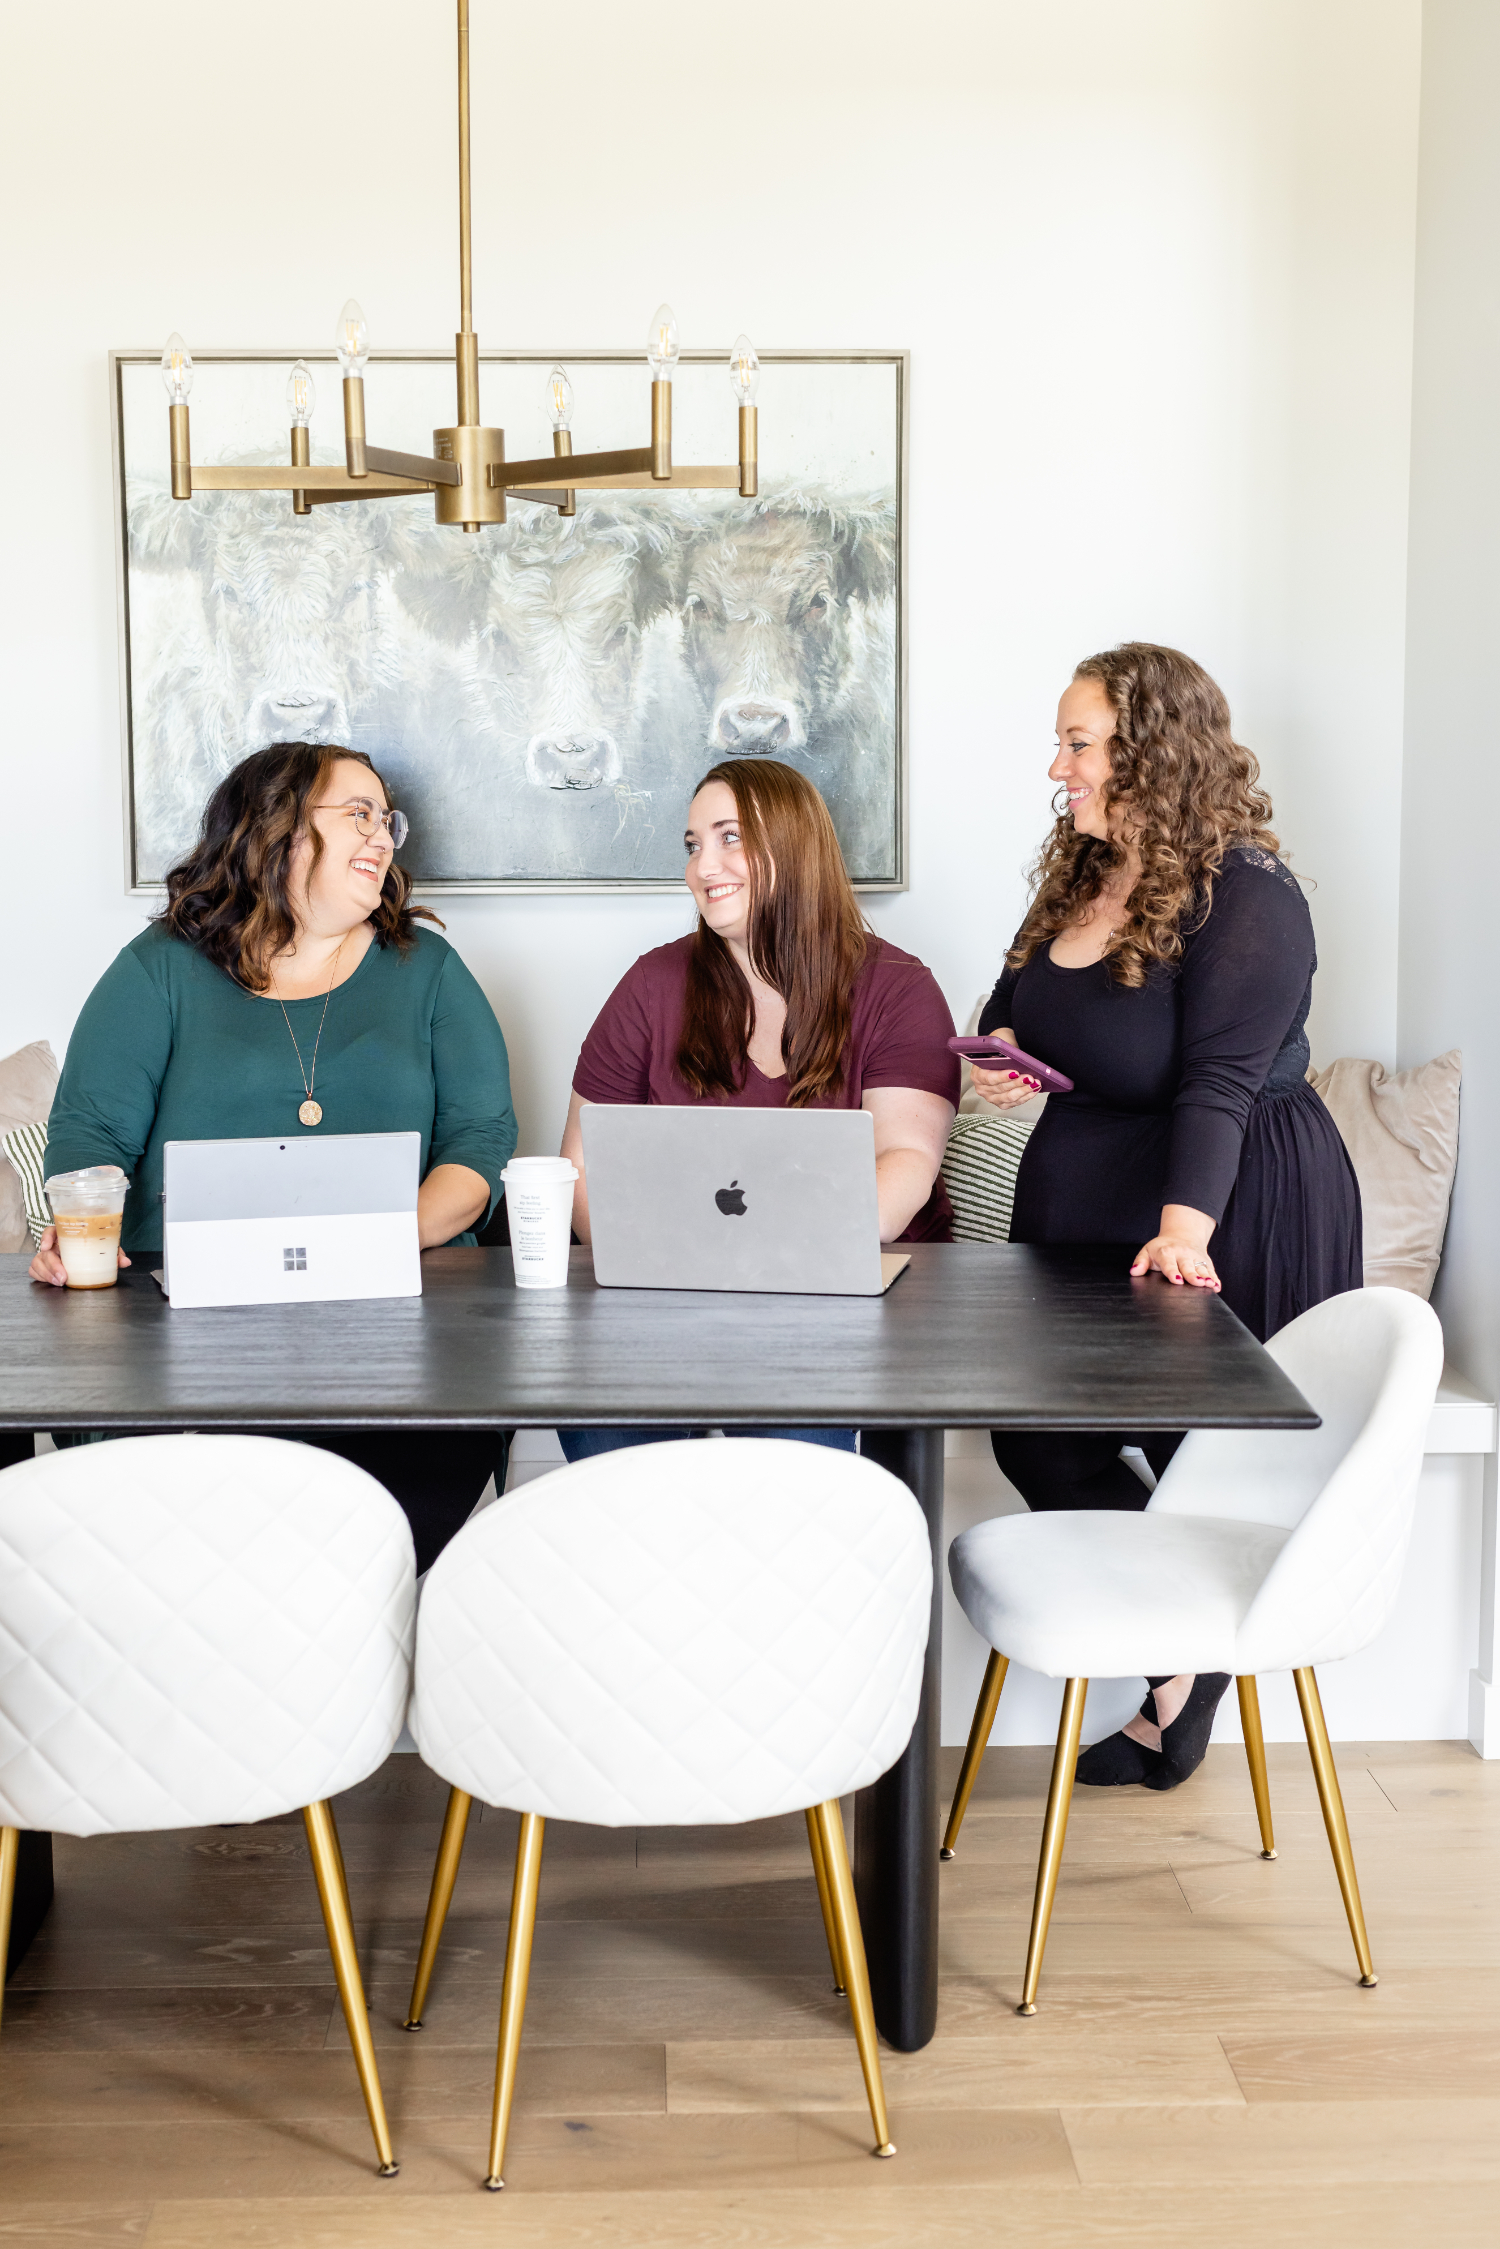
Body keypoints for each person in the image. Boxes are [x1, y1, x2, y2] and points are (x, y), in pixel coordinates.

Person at [971, 643, 1361, 1790]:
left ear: (1153, 747)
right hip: (1089, 1217)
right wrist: (1002, 1058)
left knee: (1197, 1459)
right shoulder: (1082, 869)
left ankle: (1180, 1680)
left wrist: (1184, 1228)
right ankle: (1184, 1664)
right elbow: (1016, 1003)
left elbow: (1220, 1084)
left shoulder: (1249, 892)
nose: (1059, 767)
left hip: (1228, 1197)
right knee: (1035, 1433)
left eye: (1079, 742)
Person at [33, 742, 517, 1572]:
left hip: (396, 1334)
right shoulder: (158, 970)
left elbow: (479, 1141)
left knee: (357, 1544)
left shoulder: (427, 969)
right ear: (279, 831)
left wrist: (371, 1240)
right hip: (187, 1338)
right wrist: (80, 1232)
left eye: (387, 818)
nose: (385, 837)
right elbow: (90, 1139)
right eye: (357, 814)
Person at [557, 756, 960, 1460]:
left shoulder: (898, 986)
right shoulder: (652, 984)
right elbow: (579, 1165)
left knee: (792, 1445)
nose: (702, 865)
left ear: (794, 845)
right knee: (607, 1430)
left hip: (851, 1304)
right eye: (691, 844)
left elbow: (907, 1163)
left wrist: (776, 1261)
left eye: (729, 837)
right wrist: (655, 1258)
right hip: (672, 1302)